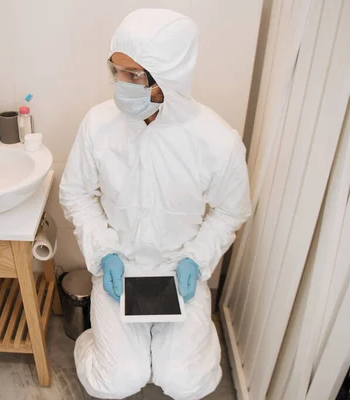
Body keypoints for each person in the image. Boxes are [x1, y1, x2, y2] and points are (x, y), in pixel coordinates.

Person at [59, 9, 252, 400]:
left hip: (179, 269)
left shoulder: (216, 140)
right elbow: (76, 193)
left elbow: (231, 209)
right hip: (119, 266)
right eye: (117, 71)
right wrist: (105, 251)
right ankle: (97, 343)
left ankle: (191, 342)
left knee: (187, 382)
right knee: (116, 382)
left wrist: (196, 259)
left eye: (134, 76)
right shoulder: (98, 125)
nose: (121, 84)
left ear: (169, 78)